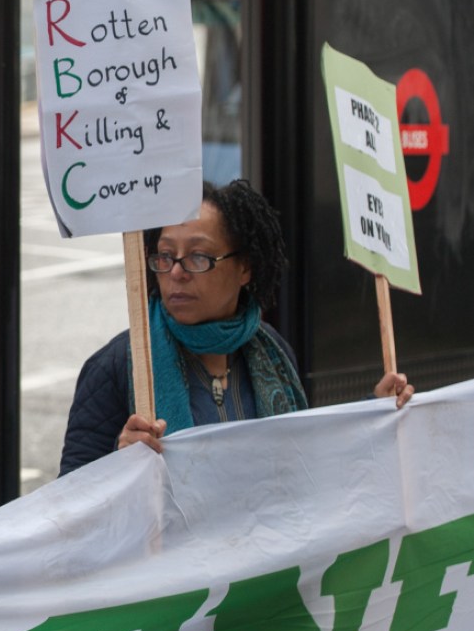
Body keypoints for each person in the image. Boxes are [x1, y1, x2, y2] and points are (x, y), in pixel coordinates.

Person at [60, 179, 414, 477]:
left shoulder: (272, 352)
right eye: (165, 256)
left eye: (198, 257)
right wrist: (120, 461)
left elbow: (310, 460)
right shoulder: (118, 366)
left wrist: (374, 412)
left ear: (245, 268)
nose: (176, 273)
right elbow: (67, 507)